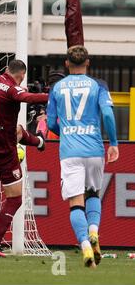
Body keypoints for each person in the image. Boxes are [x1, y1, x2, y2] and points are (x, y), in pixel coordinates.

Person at [47, 45, 118, 268]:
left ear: (66, 64)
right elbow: (107, 113)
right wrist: (114, 143)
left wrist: (66, 133)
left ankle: (85, 245)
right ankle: (94, 231)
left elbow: (50, 123)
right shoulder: (99, 85)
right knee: (94, 193)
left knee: (76, 203)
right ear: (88, 62)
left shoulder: (57, 87)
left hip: (70, 152)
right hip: (95, 150)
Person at [0, 59, 49, 257]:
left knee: (18, 131)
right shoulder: (13, 89)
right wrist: (53, 96)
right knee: (15, 198)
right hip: (4, 151)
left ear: (7, 70)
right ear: (21, 76)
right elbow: (27, 97)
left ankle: (39, 142)